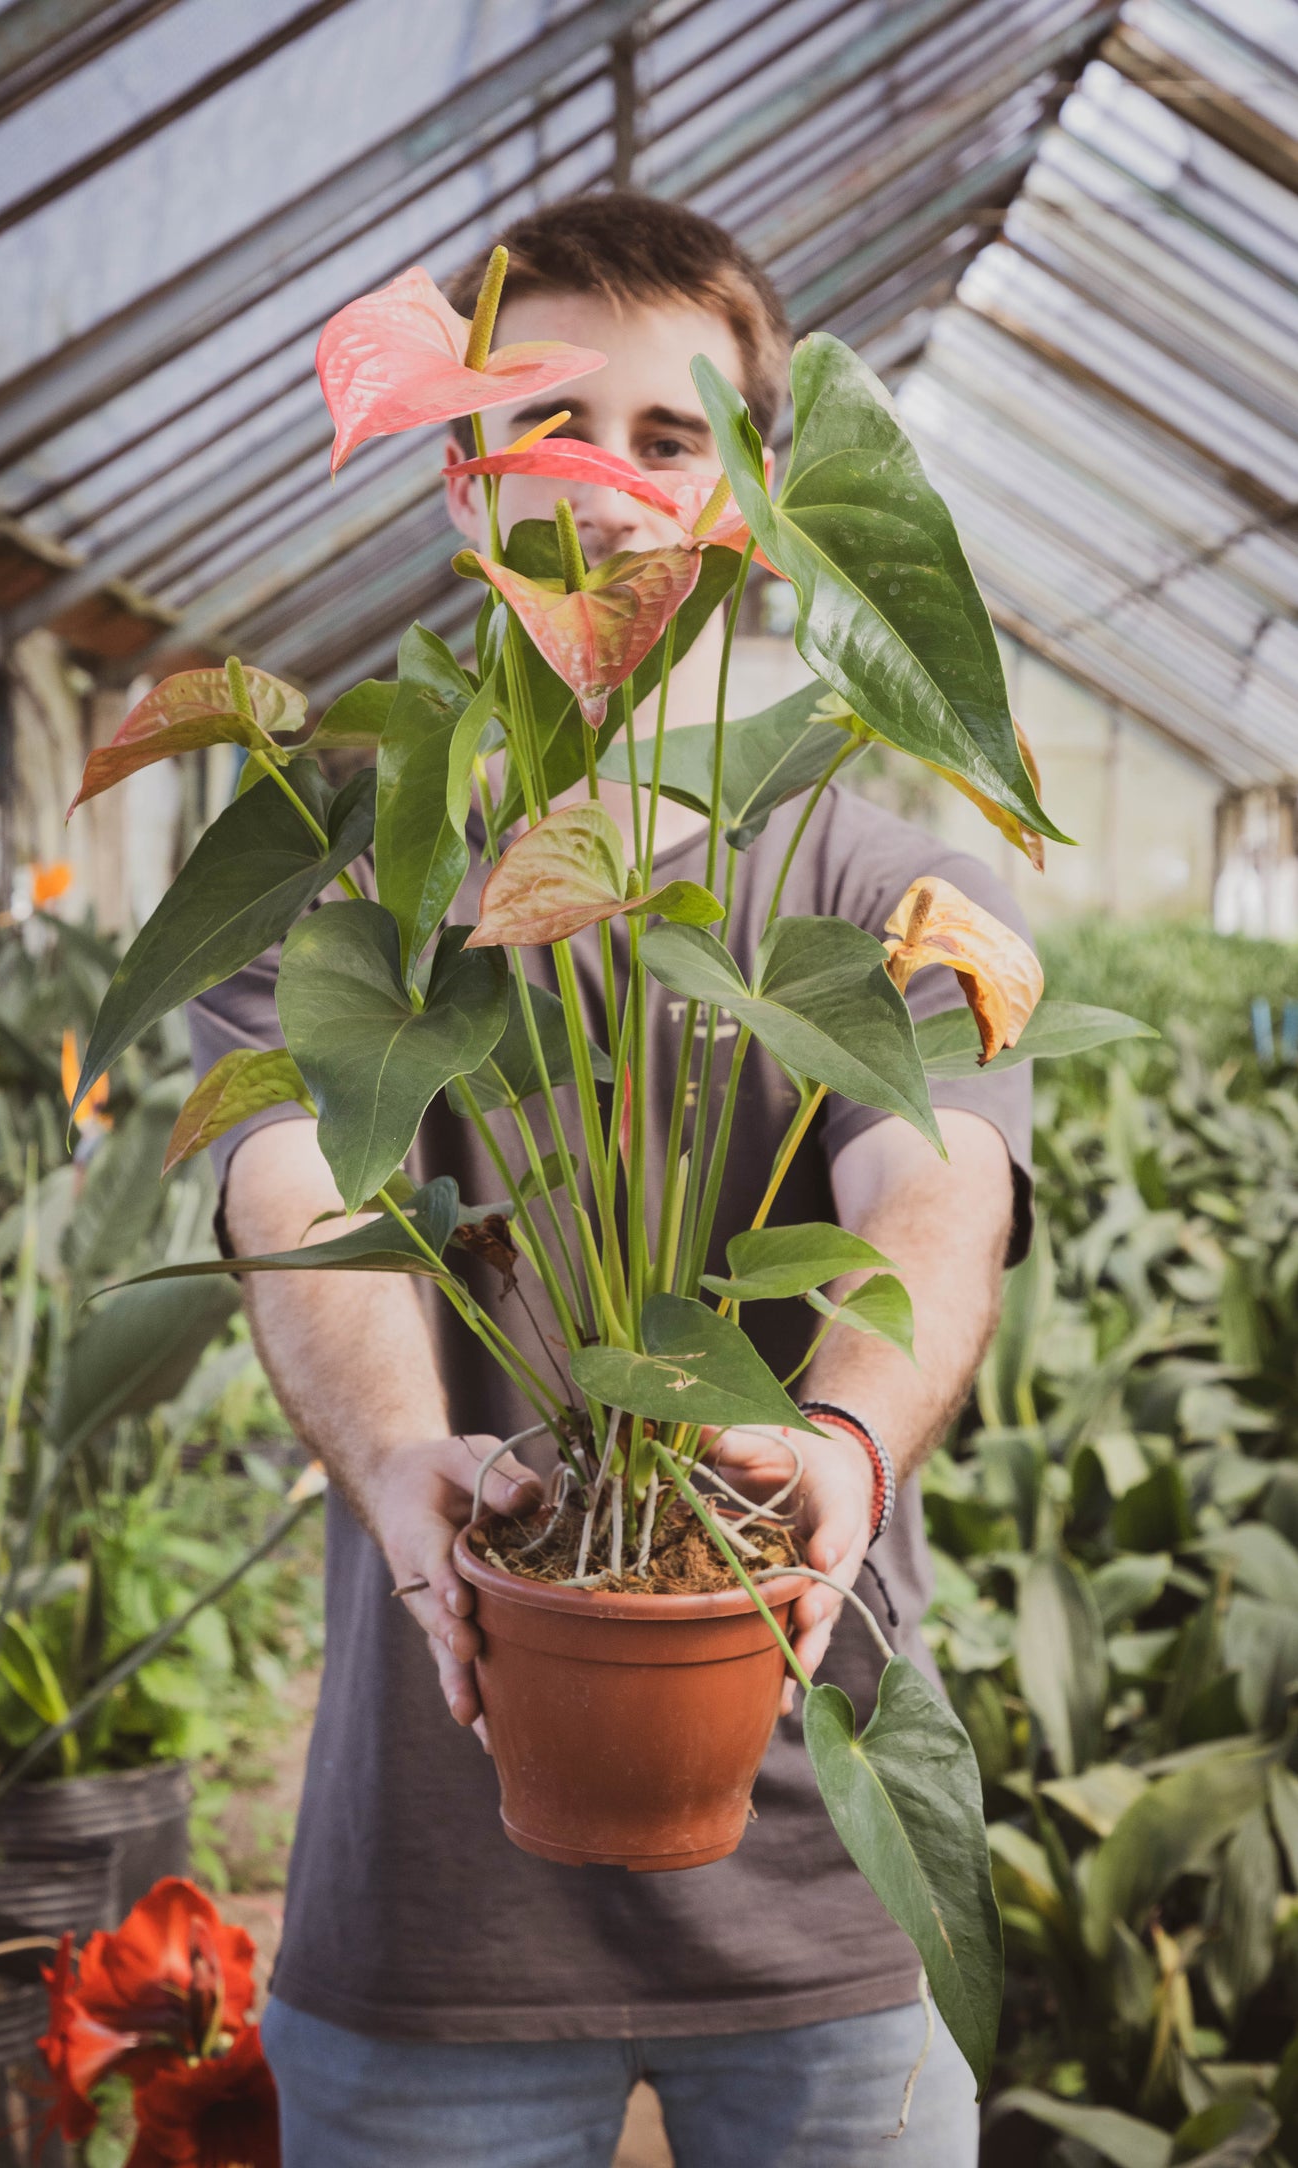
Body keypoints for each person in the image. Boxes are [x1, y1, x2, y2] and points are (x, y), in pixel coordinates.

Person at [188, 190, 1032, 2168]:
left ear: (757, 490)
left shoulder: (868, 873)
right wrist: (405, 1462)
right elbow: (292, 1181)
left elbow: (935, 1179)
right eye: (553, 430)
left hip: (832, 1908)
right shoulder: (346, 868)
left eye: (673, 440)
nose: (613, 488)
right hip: (433, 1900)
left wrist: (839, 1433)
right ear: (466, 478)